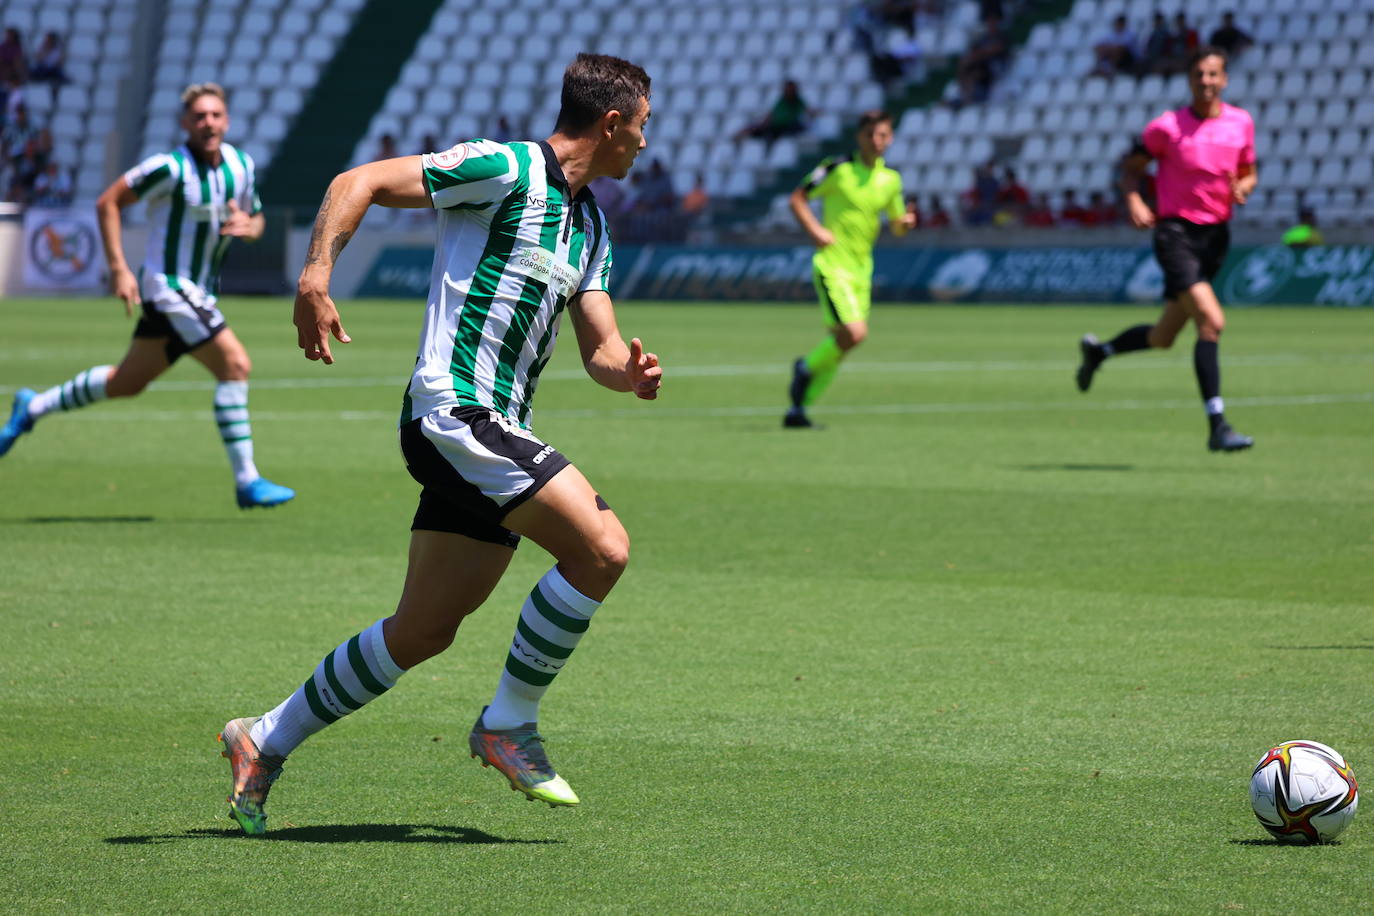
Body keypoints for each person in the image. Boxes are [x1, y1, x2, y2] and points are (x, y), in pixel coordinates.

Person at [216, 53, 662, 835]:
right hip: (455, 413)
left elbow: (600, 350)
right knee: (603, 548)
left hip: (491, 434)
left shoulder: (590, 225)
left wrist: (630, 373)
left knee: (422, 631)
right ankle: (508, 724)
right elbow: (355, 182)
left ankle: (262, 737)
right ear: (614, 122)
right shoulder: (506, 168)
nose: (647, 148)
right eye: (644, 128)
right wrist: (316, 274)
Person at [0, 83, 295, 505]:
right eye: (199, 116)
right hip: (169, 286)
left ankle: (32, 407)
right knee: (235, 364)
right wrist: (119, 269)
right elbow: (108, 203)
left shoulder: (240, 165)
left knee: (126, 383)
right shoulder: (169, 168)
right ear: (184, 123)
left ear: (226, 120)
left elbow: (257, 215)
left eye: (215, 115)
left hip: (200, 293)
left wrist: (251, 227)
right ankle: (247, 481)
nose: (207, 122)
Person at [1076, 47, 1257, 452]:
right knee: (1211, 321)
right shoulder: (1167, 127)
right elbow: (1131, 170)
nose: (1206, 82)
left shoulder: (1241, 123)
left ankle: (1099, 352)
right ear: (1189, 79)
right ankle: (1217, 425)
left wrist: (1244, 187)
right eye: (1199, 74)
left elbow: (1248, 170)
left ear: (1224, 79)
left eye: (1213, 74)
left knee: (1163, 336)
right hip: (1175, 233)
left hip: (1216, 237)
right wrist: (1135, 200)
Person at [785, 110, 915, 428]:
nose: (875, 141)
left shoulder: (891, 181)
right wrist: (816, 231)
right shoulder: (837, 168)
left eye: (882, 135)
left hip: (861, 272)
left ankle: (799, 410)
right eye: (870, 134)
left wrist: (905, 224)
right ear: (860, 136)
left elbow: (897, 225)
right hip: (832, 266)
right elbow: (798, 199)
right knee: (855, 334)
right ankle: (804, 368)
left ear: (890, 138)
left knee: (841, 345)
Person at [734, 79, 810, 144]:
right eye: (787, 89)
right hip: (774, 126)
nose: (788, 91)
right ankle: (737, 138)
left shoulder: (798, 101)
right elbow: (772, 113)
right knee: (753, 128)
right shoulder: (781, 100)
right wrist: (764, 123)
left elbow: (806, 111)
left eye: (790, 89)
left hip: (785, 127)